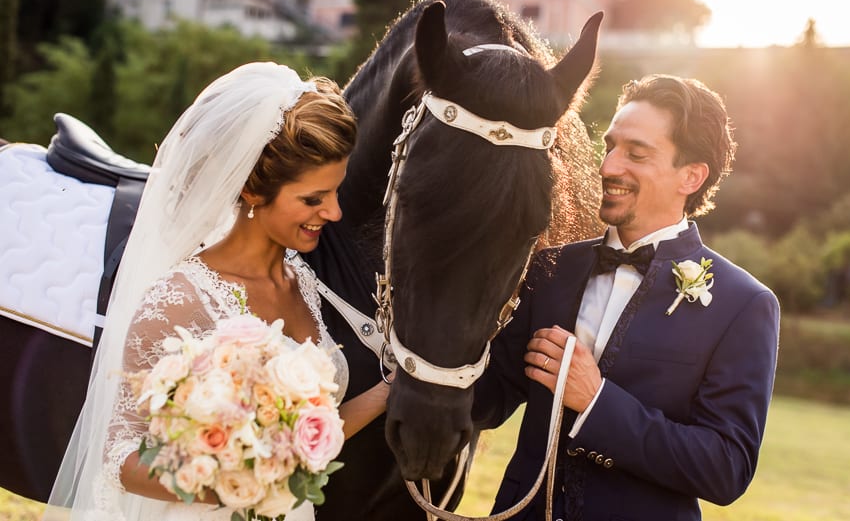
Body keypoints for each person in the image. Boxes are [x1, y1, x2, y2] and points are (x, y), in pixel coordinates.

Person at [44, 62, 391, 521]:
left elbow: (309, 437)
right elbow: (120, 457)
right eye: (313, 199)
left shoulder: (303, 282)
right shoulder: (178, 301)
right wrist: (242, 485)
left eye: (335, 192)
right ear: (251, 189)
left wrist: (392, 389)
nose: (334, 212)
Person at [473, 74, 780, 520]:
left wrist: (597, 401)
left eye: (635, 153)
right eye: (610, 146)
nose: (608, 166)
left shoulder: (744, 305)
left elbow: (725, 468)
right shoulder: (549, 268)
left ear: (691, 176)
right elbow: (486, 397)